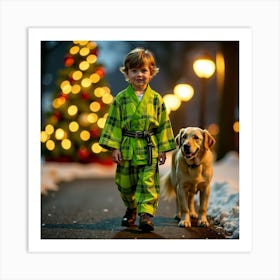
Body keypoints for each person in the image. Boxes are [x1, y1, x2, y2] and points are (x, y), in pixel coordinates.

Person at [99, 47, 176, 232]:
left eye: (144, 70)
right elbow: (114, 123)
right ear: (127, 73)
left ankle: (146, 216)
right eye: (134, 71)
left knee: (147, 183)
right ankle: (131, 207)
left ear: (151, 73)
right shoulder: (121, 99)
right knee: (125, 185)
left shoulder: (156, 100)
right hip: (127, 147)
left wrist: (163, 149)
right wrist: (114, 148)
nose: (139, 75)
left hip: (148, 147)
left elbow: (163, 124)